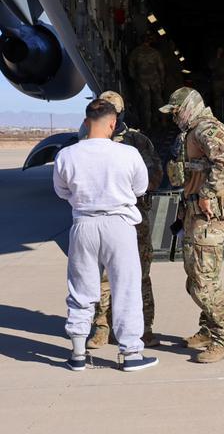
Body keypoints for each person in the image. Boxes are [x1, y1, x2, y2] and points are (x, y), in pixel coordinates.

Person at [53, 99, 158, 372]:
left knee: (81, 288)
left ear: (87, 122)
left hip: (83, 225)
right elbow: (140, 188)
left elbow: (62, 192)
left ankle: (77, 353)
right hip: (118, 225)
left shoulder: (66, 155)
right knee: (126, 287)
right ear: (113, 123)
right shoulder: (128, 154)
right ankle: (131, 353)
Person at [160, 87, 224, 364]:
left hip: (208, 215)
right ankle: (209, 329)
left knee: (203, 281)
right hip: (194, 211)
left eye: (175, 112)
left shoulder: (206, 128)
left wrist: (207, 193)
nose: (174, 118)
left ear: (189, 107)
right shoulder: (195, 130)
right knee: (198, 275)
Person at [81, 91, 163, 350]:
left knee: (139, 273)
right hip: (100, 218)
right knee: (101, 276)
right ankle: (103, 326)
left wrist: (122, 187)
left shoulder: (137, 141)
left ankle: (143, 328)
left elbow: (155, 177)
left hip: (133, 217)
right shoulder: (87, 141)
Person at [128, 33, 166, 131]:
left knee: (146, 103)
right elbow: (161, 68)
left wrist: (135, 80)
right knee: (159, 101)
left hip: (142, 81)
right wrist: (162, 81)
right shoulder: (155, 53)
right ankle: (163, 121)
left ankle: (148, 125)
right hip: (155, 80)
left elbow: (131, 69)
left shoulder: (135, 53)